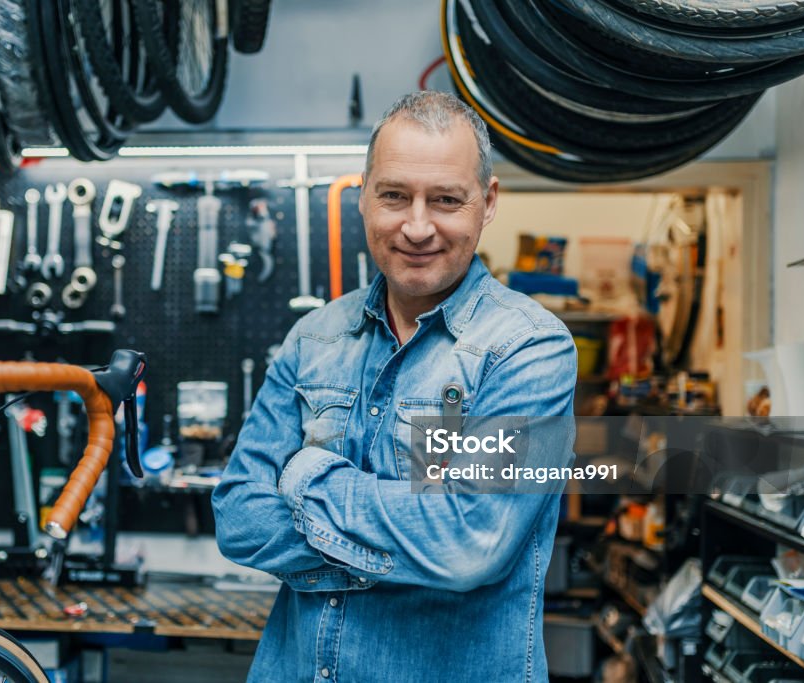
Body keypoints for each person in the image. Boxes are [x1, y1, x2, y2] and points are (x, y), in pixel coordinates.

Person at [212, 90, 577, 682]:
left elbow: (469, 543)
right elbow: (240, 518)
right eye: (394, 196)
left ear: (487, 204)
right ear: (363, 197)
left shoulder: (530, 349)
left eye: (446, 200)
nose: (416, 226)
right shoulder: (313, 339)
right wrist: (406, 551)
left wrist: (305, 477)